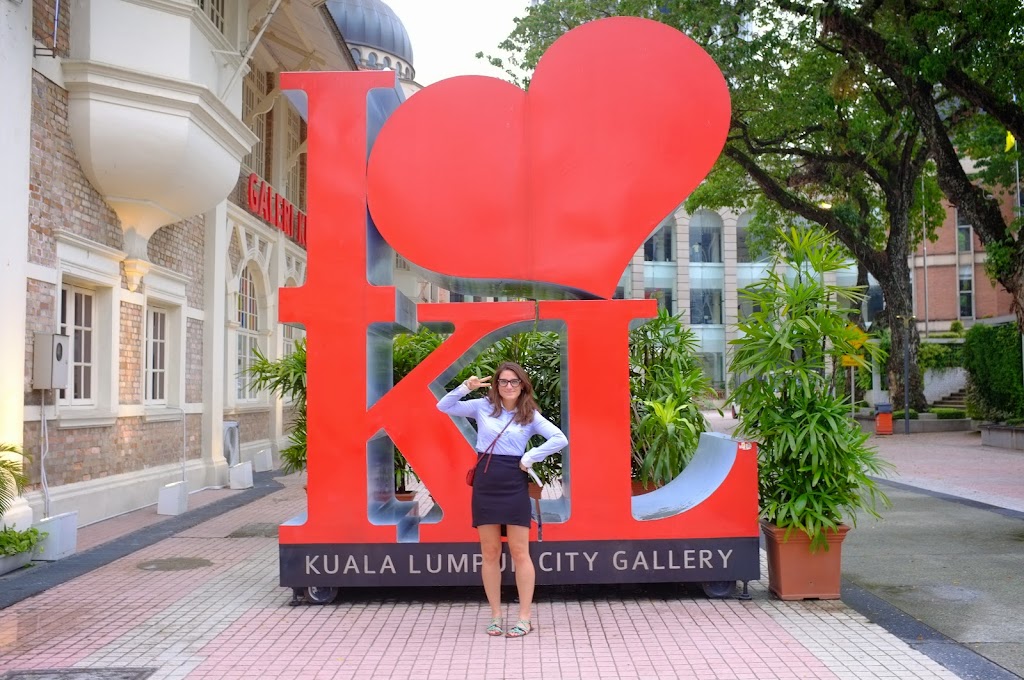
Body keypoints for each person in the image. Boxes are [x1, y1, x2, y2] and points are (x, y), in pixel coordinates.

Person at [436, 361, 567, 638]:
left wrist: (530, 457)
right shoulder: (482, 406)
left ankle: (524, 617)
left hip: (513, 480)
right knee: (490, 552)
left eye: (514, 382)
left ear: (523, 386)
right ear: (495, 384)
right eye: (503, 381)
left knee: (520, 552)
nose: (508, 386)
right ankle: (495, 615)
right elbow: (443, 407)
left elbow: (559, 438)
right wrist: (464, 387)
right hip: (486, 481)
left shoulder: (529, 414)